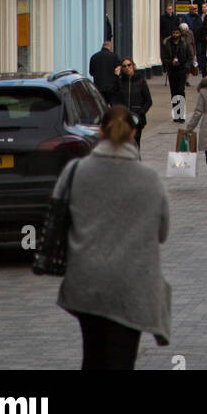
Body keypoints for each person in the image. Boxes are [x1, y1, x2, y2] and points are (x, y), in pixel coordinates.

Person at [56, 104, 171, 369]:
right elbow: (162, 233)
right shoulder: (150, 178)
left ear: (99, 131)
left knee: (93, 356)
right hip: (131, 285)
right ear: (133, 133)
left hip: (87, 281)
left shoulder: (75, 171)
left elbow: (60, 223)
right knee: (122, 359)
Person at [112, 59, 152, 149]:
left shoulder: (141, 81)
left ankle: (136, 160)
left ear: (133, 66)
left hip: (136, 119)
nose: (127, 68)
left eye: (129, 65)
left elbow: (148, 101)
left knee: (135, 144)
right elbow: (113, 98)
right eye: (124, 66)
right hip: (123, 119)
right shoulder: (120, 82)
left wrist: (141, 112)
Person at [162, 28, 192, 120]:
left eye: (177, 33)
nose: (175, 35)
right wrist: (170, 63)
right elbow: (164, 57)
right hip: (172, 71)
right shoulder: (167, 44)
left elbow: (189, 57)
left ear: (180, 34)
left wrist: (186, 67)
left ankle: (181, 114)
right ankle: (176, 114)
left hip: (181, 71)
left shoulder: (184, 44)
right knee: (174, 92)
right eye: (174, 33)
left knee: (181, 91)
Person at [89, 39, 119, 104]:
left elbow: (91, 73)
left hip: (98, 87)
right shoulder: (114, 56)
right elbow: (118, 70)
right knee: (113, 108)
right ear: (110, 47)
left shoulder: (93, 57)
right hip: (111, 87)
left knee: (102, 107)